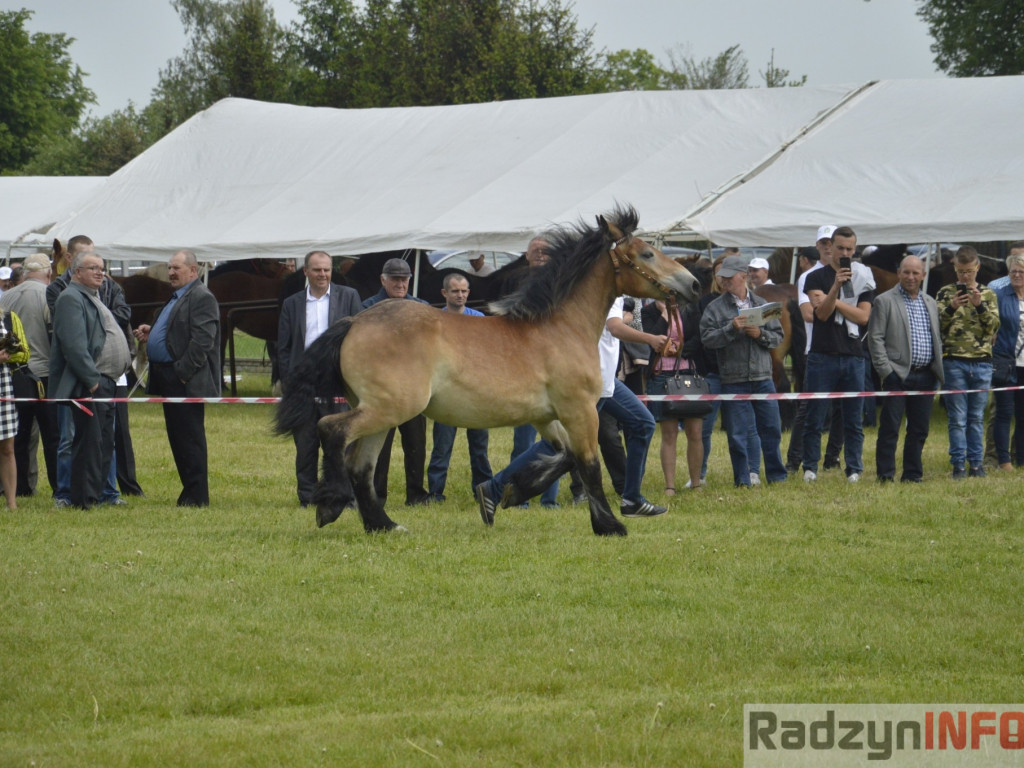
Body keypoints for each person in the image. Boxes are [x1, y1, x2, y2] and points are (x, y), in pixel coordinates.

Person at [476, 295, 669, 520]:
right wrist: (651, 339)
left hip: (606, 382)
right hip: (589, 383)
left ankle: (632, 499)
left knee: (642, 423)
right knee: (560, 446)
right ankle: (494, 488)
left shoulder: (608, 293)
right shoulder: (610, 294)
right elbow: (614, 327)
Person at [47, 235, 138, 505]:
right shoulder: (70, 298)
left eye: (102, 268)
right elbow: (74, 347)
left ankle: (99, 494)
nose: (101, 273)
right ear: (76, 272)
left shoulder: (93, 296)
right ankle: (83, 498)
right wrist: (93, 381)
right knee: (86, 443)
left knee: (102, 442)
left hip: (107, 381)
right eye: (94, 268)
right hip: (90, 385)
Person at [134, 250, 220, 506]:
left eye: (177, 268)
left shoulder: (202, 297)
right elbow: (177, 327)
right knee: (178, 439)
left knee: (189, 439)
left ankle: (197, 497)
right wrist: (154, 332)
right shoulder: (178, 296)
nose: (171, 272)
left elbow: (203, 341)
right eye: (170, 267)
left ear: (193, 271)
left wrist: (181, 374)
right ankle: (189, 493)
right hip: (166, 377)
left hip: (183, 380)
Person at [277, 250, 363, 506]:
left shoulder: (349, 297)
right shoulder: (291, 303)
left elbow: (359, 340)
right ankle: (307, 497)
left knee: (340, 445)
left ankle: (344, 497)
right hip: (303, 386)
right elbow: (283, 347)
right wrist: (290, 382)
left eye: (326, 270)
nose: (323, 274)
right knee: (305, 446)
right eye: (317, 270)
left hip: (338, 382)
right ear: (306, 272)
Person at [699, 255, 788, 487]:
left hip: (762, 377)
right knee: (737, 434)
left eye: (729, 277)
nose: (725, 281)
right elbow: (707, 340)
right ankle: (742, 479)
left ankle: (777, 476)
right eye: (722, 277)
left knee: (771, 429)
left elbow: (778, 336)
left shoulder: (763, 305)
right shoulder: (714, 308)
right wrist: (731, 328)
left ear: (744, 277)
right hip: (733, 378)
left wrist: (761, 335)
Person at [801, 226, 876, 483]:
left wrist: (835, 303)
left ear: (855, 250)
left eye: (849, 249)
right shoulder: (815, 278)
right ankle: (810, 467)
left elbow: (863, 317)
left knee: (853, 419)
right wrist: (835, 287)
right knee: (815, 416)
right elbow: (821, 315)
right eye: (840, 248)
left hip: (854, 355)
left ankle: (854, 469)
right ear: (830, 247)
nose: (845, 253)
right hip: (822, 355)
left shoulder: (863, 277)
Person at [867, 255, 943, 483]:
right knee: (890, 428)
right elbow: (875, 339)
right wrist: (886, 372)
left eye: (915, 273)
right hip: (897, 375)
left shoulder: (930, 302)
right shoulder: (884, 301)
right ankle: (885, 475)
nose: (911, 277)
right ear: (899, 273)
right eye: (906, 272)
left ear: (923, 275)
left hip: (926, 375)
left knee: (919, 430)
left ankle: (912, 474)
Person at [362, 257, 431, 506]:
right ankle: (378, 494)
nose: (401, 284)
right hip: (382, 389)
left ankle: (416, 494)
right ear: (383, 280)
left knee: (416, 443)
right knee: (381, 444)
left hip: (413, 387)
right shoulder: (369, 308)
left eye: (404, 279)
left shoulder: (420, 307)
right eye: (395, 279)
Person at [426, 274, 493, 501]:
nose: (460, 295)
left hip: (476, 392)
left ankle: (483, 490)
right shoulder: (436, 320)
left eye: (464, 291)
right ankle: (435, 492)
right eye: (455, 291)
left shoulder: (480, 319)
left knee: (479, 447)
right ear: (444, 293)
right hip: (447, 391)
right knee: (442, 446)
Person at [935, 246, 999, 479]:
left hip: (981, 362)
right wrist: (952, 307)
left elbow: (994, 328)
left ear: (977, 268)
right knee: (957, 418)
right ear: (954, 268)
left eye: (969, 271)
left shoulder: (989, 294)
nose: (965, 276)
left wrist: (979, 305)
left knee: (975, 417)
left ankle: (976, 464)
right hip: (954, 362)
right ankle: (959, 465)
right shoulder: (944, 293)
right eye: (961, 271)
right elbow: (937, 328)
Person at [0, 253, 59, 496]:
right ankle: (59, 487)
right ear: (48, 274)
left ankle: (22, 487)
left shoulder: (9, 296)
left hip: (14, 375)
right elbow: (55, 335)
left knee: (19, 436)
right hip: (44, 375)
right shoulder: (49, 295)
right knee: (52, 436)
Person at [642, 298, 704, 493]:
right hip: (661, 376)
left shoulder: (691, 308)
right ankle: (670, 486)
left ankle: (696, 483)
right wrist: (665, 315)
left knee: (695, 431)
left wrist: (678, 350)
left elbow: (698, 339)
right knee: (669, 433)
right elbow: (651, 338)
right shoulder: (648, 311)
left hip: (689, 374)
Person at [992, 251, 1024, 471]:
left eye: (1021, 272)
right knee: (1003, 413)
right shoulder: (1000, 294)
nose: (1017, 275)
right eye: (1013, 271)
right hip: (1006, 362)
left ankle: (1021, 458)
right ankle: (1004, 460)